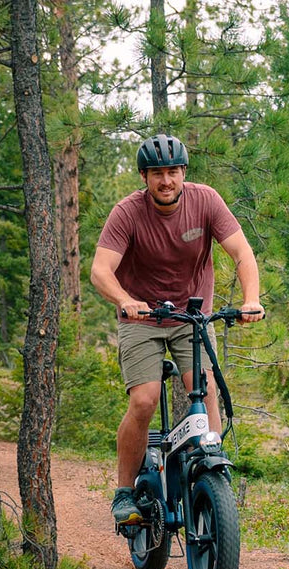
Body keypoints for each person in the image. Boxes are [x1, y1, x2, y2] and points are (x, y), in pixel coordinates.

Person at [90, 133, 264, 527]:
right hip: (143, 320)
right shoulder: (128, 212)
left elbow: (242, 253)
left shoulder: (206, 201)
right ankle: (124, 492)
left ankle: (211, 475)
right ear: (144, 177)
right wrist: (124, 300)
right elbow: (100, 271)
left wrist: (251, 299)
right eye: (157, 173)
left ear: (183, 172)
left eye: (172, 171)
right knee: (145, 401)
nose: (165, 180)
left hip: (192, 317)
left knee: (205, 390)